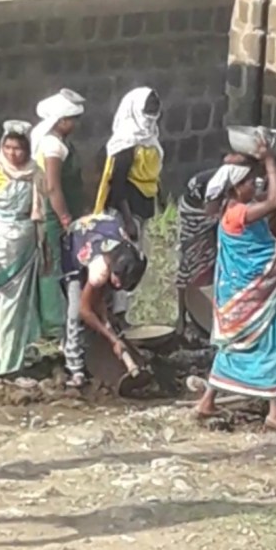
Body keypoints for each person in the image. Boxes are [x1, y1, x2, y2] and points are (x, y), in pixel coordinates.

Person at [193, 146, 276, 433]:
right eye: (251, 181)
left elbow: (272, 215)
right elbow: (275, 200)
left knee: (235, 345)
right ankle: (275, 411)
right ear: (235, 188)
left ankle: (207, 401)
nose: (256, 184)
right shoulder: (238, 213)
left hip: (245, 294)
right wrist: (269, 160)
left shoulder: (241, 208)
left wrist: (275, 164)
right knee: (271, 341)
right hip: (253, 295)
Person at [175, 153, 276, 339]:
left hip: (224, 212)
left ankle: (216, 313)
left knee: (219, 260)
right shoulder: (241, 184)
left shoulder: (250, 193)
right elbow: (273, 204)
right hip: (196, 207)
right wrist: (269, 160)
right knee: (194, 260)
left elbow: (273, 225)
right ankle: (182, 318)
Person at [0, 122, 44, 377]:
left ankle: (11, 361)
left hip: (24, 245)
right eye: (8, 147)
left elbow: (38, 213)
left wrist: (43, 245)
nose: (12, 153)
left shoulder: (35, 173)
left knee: (17, 306)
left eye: (18, 148)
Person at [93, 87, 163, 324]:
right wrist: (128, 219)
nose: (151, 114)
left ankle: (121, 312)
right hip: (126, 212)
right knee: (123, 263)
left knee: (134, 262)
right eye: (147, 109)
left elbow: (153, 175)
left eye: (154, 109)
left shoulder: (150, 138)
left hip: (142, 207)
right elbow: (118, 185)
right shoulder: (125, 144)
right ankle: (115, 314)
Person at [61, 212, 147, 388]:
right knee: (75, 312)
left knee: (102, 304)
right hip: (75, 242)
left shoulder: (128, 253)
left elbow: (99, 299)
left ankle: (90, 343)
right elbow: (85, 310)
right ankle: (74, 367)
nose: (119, 286)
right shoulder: (100, 269)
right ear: (114, 270)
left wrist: (106, 322)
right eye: (119, 281)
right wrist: (112, 339)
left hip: (97, 235)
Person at [30, 89, 86, 338]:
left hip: (63, 214)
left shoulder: (60, 143)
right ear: (61, 121)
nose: (75, 125)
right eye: (72, 120)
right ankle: (53, 323)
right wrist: (65, 218)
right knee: (52, 265)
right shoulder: (52, 145)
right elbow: (53, 187)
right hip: (54, 217)